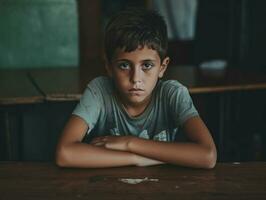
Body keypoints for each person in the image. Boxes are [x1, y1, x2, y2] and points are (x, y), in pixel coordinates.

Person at [55, 8, 217, 169]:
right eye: (124, 65)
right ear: (109, 66)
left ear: (162, 67)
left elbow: (207, 156)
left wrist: (129, 143)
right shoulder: (100, 90)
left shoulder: (172, 94)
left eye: (147, 65)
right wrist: (136, 159)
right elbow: (65, 154)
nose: (135, 79)